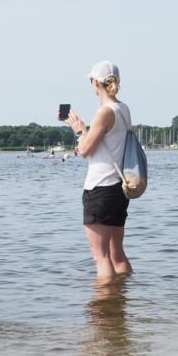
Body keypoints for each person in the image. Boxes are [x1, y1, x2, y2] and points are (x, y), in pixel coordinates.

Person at [65, 60, 134, 279]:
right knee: (117, 255)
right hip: (119, 188)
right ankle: (122, 302)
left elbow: (85, 150)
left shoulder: (104, 112)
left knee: (101, 256)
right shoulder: (123, 109)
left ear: (96, 83)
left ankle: (105, 310)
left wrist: (78, 131)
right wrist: (86, 129)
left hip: (100, 188)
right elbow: (104, 144)